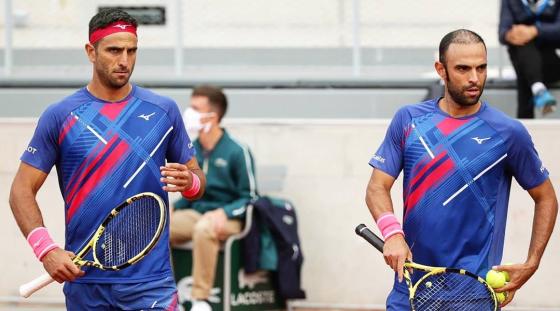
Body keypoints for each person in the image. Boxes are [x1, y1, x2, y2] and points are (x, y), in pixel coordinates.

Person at [9, 9, 206, 310]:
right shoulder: (60, 116)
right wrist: (46, 250)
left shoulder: (164, 111)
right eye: (114, 50)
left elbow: (197, 182)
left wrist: (190, 181)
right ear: (91, 51)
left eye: (131, 50)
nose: (125, 60)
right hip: (85, 284)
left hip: (151, 283)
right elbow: (21, 191)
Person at [365, 29, 558, 310]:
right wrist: (392, 233)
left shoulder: (509, 133)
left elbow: (547, 197)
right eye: (463, 69)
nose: (474, 78)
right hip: (408, 290)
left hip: (474, 296)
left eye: (481, 68)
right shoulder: (408, 120)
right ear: (441, 70)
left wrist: (532, 262)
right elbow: (376, 187)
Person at [169, 85, 258, 311]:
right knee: (159, 227)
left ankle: (200, 300)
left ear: (213, 116)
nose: (189, 114)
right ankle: (167, 297)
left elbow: (251, 197)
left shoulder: (238, 151)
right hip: (196, 213)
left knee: (204, 228)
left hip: (228, 217)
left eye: (196, 109)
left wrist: (224, 212)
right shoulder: (191, 150)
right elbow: (191, 192)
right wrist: (172, 208)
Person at [499, 0, 560, 118]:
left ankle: (537, 90)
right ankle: (538, 89)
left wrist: (535, 31)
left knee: (523, 61)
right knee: (522, 46)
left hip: (551, 64)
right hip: (524, 60)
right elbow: (502, 32)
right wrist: (511, 35)